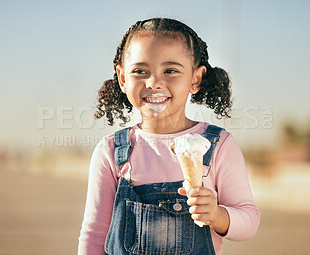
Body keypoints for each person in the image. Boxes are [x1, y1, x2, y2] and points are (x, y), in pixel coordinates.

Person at [78, 18, 260, 255]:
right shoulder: (111, 150)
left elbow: (249, 220)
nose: (154, 83)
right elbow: (94, 234)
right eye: (140, 71)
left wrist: (218, 215)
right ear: (123, 78)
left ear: (195, 79)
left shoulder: (219, 145)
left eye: (171, 70)